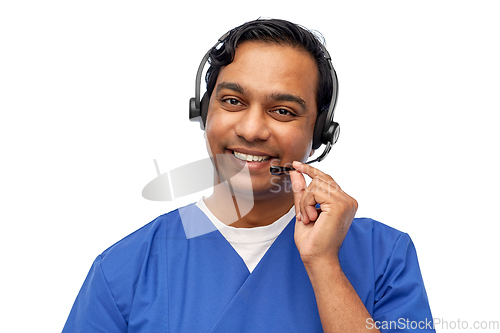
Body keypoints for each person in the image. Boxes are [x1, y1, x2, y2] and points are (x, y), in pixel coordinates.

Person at [63, 18, 435, 332]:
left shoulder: (385, 257)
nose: (252, 129)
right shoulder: (122, 271)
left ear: (319, 131)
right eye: (233, 102)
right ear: (204, 112)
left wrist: (325, 266)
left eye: (284, 111)